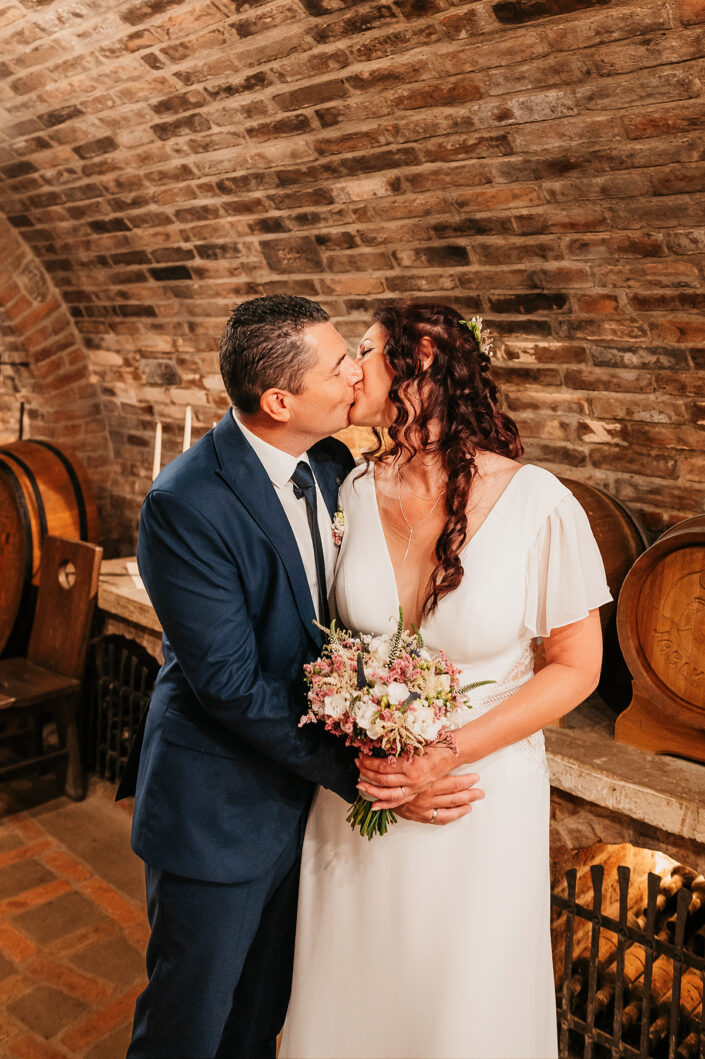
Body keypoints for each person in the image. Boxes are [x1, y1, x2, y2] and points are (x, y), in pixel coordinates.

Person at [121, 294, 482, 1059]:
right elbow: (229, 685)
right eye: (339, 363)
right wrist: (366, 777)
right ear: (279, 401)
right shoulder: (186, 503)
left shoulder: (331, 464)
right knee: (188, 1026)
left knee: (258, 1019)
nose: (356, 372)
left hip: (305, 811)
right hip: (218, 808)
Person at [280, 302, 612, 1059]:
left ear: (422, 356)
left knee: (461, 1008)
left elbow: (577, 668)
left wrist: (443, 754)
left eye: (364, 350)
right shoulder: (347, 491)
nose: (348, 369)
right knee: (355, 994)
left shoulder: (539, 503)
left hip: (476, 800)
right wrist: (363, 748)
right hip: (366, 793)